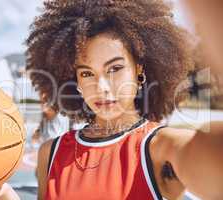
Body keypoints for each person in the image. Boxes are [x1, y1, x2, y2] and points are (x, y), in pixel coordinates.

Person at [25, 0, 223, 200]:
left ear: (139, 69)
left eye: (114, 69)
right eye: (86, 74)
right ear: (75, 81)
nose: (101, 87)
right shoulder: (50, 153)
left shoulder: (162, 148)